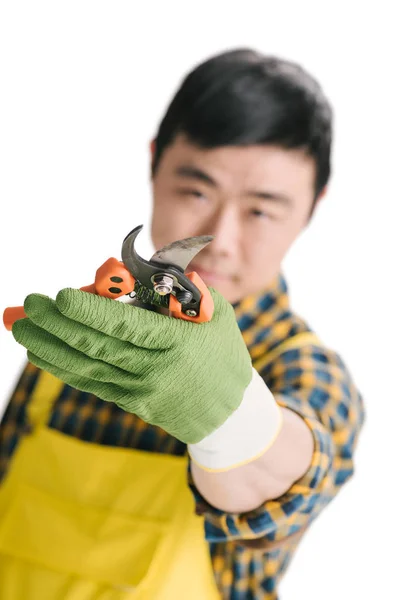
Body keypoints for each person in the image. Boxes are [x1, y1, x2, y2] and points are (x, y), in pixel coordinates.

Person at [0, 48, 365, 599]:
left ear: (312, 206)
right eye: (195, 191)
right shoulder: (81, 341)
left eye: (262, 210)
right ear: (154, 164)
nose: (222, 239)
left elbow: (289, 476)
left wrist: (232, 416)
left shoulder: (304, 367)